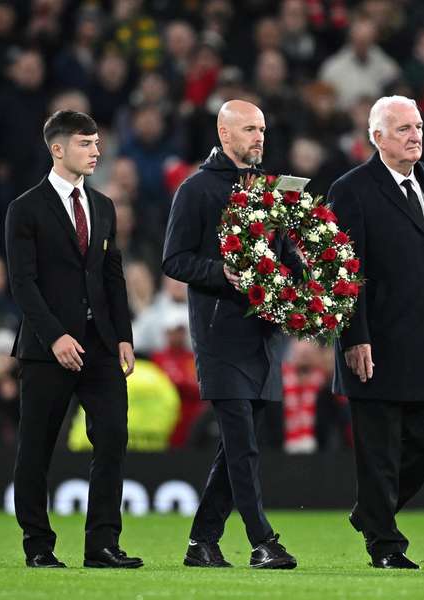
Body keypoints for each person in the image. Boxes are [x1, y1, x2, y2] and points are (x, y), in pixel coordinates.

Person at [162, 99, 297, 570]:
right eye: (249, 130)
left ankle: (202, 541)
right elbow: (173, 259)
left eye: (262, 129)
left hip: (262, 333)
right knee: (242, 445)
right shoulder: (195, 190)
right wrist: (225, 274)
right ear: (224, 134)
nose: (259, 137)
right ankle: (263, 540)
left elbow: (283, 254)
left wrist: (309, 289)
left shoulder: (270, 188)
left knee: (234, 447)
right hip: (219, 335)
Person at [5, 110, 141, 569]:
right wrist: (54, 336)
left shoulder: (103, 206)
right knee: (37, 447)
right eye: (86, 143)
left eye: (98, 142)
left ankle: (101, 544)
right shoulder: (25, 208)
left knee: (113, 437)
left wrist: (123, 334)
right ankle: (38, 545)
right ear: (57, 149)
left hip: (100, 345)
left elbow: (112, 274)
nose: (96, 151)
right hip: (47, 350)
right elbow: (22, 283)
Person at [329, 95, 424, 569]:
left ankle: (371, 511)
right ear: (376, 137)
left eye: (418, 126)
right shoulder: (352, 189)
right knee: (378, 451)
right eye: (403, 128)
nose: (415, 135)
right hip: (375, 341)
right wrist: (353, 336)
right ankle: (385, 545)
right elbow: (342, 271)